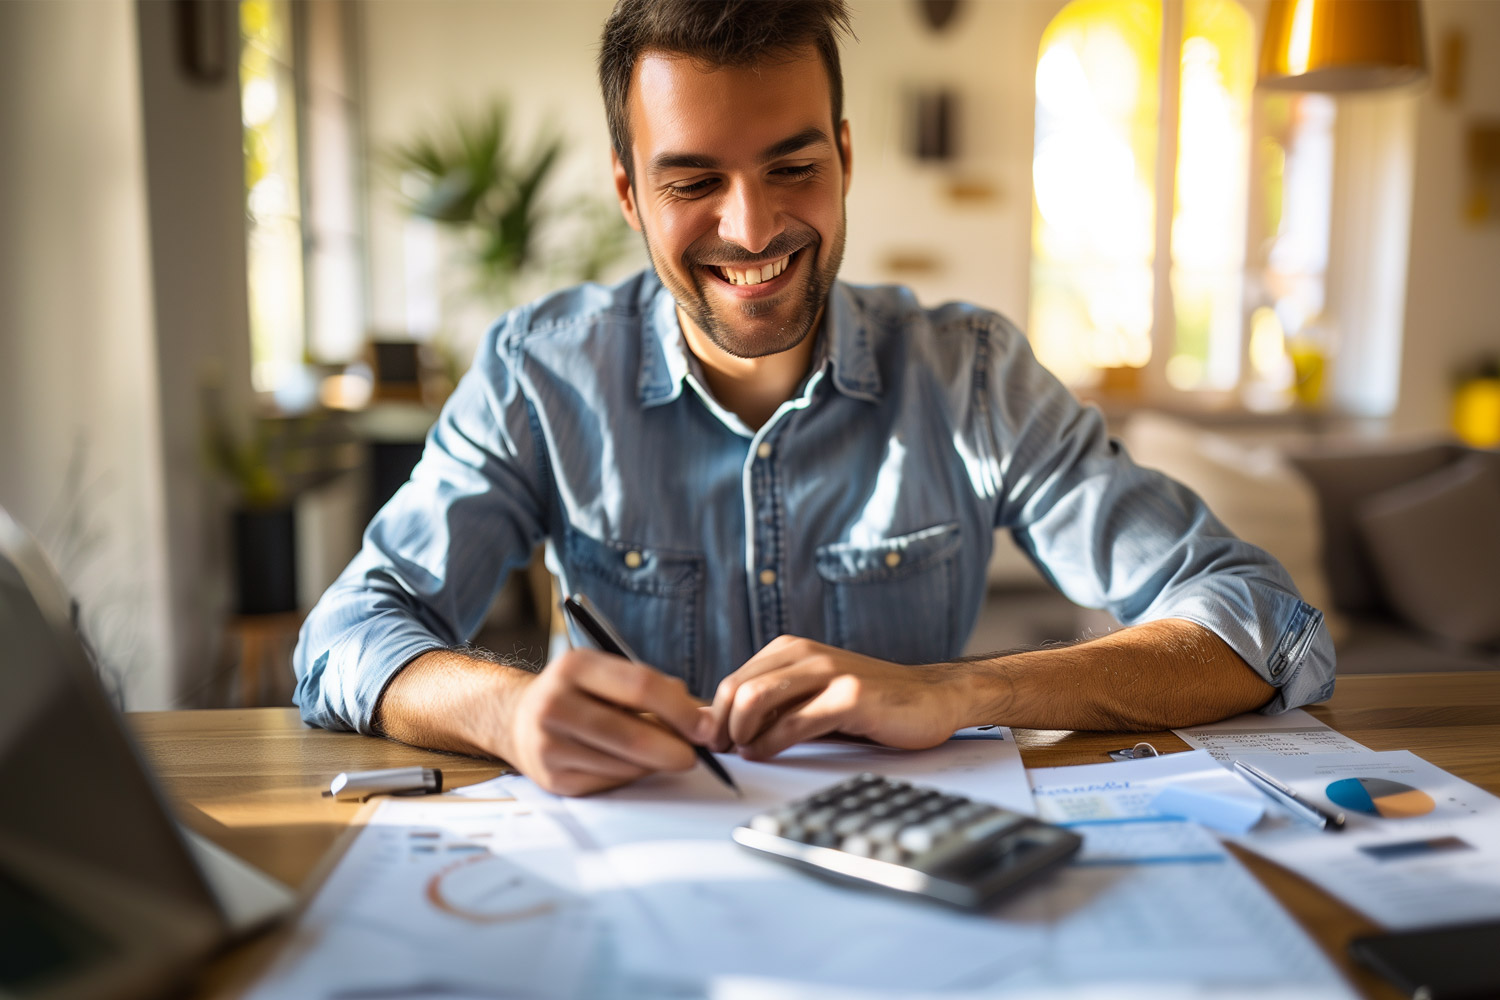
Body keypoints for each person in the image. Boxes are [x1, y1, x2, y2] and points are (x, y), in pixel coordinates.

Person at [293, 0, 1334, 796]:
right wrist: (507, 711)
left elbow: (1260, 625)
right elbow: (345, 635)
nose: (750, 230)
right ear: (629, 193)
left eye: (791, 165)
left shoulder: (970, 375)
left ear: (843, 155)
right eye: (693, 183)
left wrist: (957, 690)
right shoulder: (540, 371)